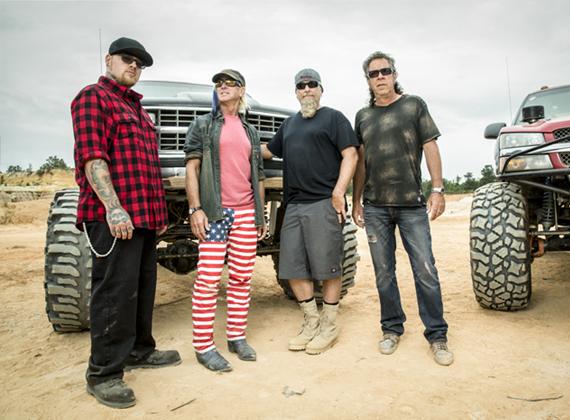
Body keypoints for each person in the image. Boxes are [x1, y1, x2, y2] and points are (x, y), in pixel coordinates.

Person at [71, 37, 181, 409]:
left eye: (140, 63)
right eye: (127, 59)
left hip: (145, 217)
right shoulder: (93, 98)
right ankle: (103, 373)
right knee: (114, 292)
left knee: (142, 288)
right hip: (115, 216)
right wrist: (113, 208)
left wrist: (159, 215)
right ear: (109, 60)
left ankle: (139, 350)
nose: (134, 66)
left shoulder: (138, 110)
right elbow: (92, 157)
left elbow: (148, 168)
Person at [352, 51, 453, 366]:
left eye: (385, 71)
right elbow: (361, 162)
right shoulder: (363, 116)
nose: (380, 77)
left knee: (425, 270)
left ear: (394, 75)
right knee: (384, 273)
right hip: (375, 208)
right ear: (368, 80)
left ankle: (437, 335)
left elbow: (430, 145)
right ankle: (391, 329)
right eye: (374, 74)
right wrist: (356, 200)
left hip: (411, 205)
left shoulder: (413, 105)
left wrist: (437, 189)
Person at [262, 69, 358, 355]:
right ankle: (311, 321)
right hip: (293, 205)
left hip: (323, 203)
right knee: (293, 267)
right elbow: (268, 151)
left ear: (320, 89)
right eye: (301, 86)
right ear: (296, 92)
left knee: (328, 267)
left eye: (311, 84)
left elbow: (351, 155)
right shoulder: (289, 125)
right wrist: (237, 142)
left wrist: (339, 192)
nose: (306, 89)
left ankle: (329, 325)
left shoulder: (334, 118)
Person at [184, 69, 267, 372]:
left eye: (230, 83)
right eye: (219, 83)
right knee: (208, 280)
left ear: (241, 90)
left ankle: (236, 337)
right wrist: (196, 209)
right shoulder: (203, 125)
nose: (223, 86)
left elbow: (258, 175)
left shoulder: (250, 131)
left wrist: (259, 214)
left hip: (245, 213)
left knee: (242, 278)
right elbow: (192, 168)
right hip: (215, 213)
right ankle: (204, 346)